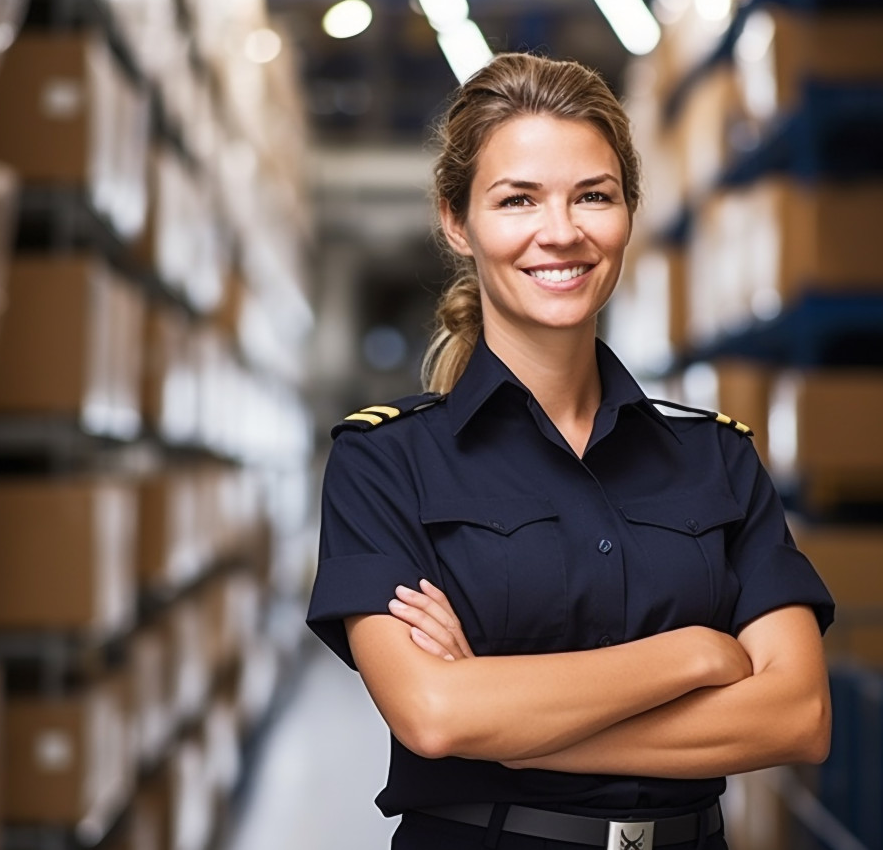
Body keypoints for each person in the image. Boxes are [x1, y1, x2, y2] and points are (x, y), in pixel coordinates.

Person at [306, 52, 835, 850]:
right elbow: (434, 712)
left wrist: (512, 731)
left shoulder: (719, 459)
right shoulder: (384, 463)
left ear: (628, 212)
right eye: (518, 199)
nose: (561, 232)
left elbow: (798, 716)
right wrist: (694, 653)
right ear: (457, 221)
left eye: (593, 195)